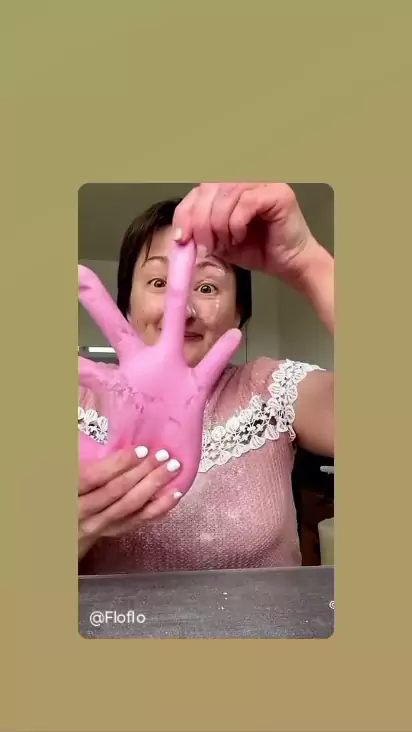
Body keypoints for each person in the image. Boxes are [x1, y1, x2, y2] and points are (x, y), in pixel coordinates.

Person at [79, 182, 334, 573]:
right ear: (126, 304)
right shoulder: (78, 402)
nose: (182, 311)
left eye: (207, 286)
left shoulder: (270, 389)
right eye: (158, 283)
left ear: (239, 312)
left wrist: (307, 261)